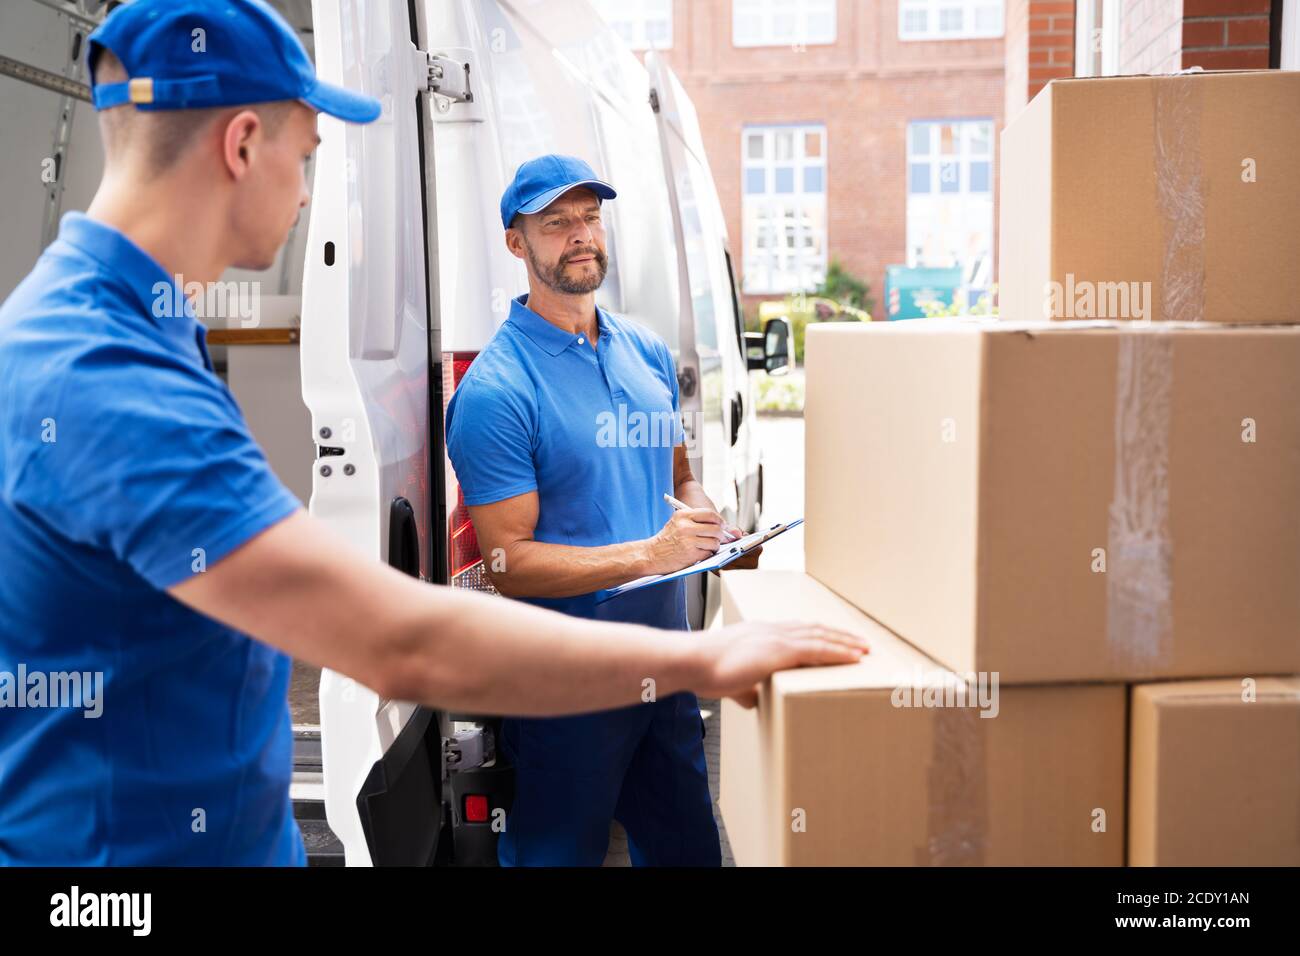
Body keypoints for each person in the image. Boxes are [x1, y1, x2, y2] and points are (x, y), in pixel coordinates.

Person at [0, 0, 865, 867]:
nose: (307, 194)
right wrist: (703, 663)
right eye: (306, 158)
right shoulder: (106, 374)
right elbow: (397, 637)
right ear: (241, 145)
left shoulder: (129, 330)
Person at [443, 155, 757, 866]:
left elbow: (677, 477)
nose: (580, 235)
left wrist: (715, 533)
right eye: (556, 223)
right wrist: (651, 555)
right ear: (517, 244)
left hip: (664, 670)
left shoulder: (641, 347)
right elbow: (507, 564)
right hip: (566, 687)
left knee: (688, 854)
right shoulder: (498, 390)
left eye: (589, 217)